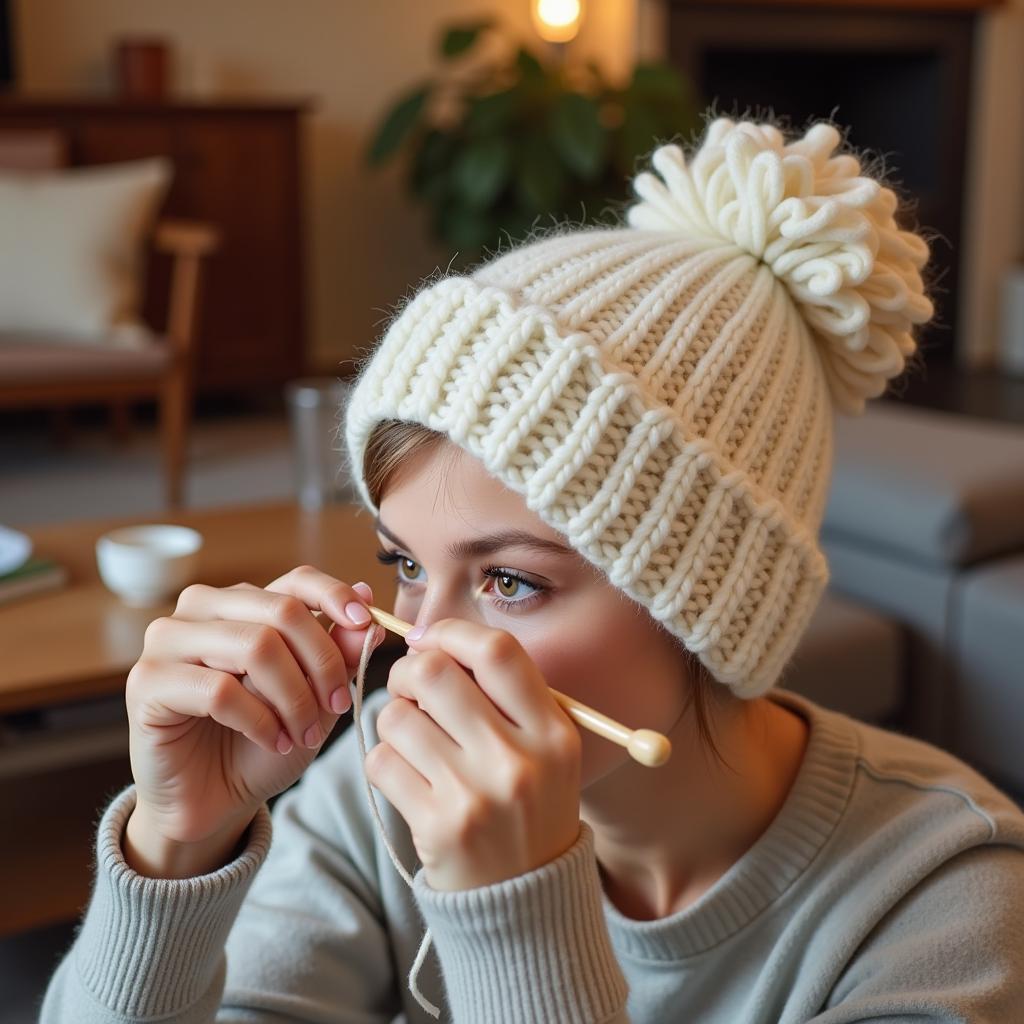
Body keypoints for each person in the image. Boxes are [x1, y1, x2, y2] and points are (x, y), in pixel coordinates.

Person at [42, 114, 1024, 1024]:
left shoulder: (945, 897)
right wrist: (174, 849)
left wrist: (516, 918)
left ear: (707, 608)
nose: (420, 646)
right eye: (404, 563)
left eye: (511, 580)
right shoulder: (376, 790)